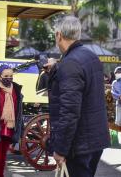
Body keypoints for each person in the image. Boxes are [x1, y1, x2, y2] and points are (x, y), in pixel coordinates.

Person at [44, 16, 110, 177]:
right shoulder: (90, 56)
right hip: (94, 141)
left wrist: (60, 150)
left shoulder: (70, 63)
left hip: (78, 145)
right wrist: (57, 68)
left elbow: (69, 111)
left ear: (59, 35)